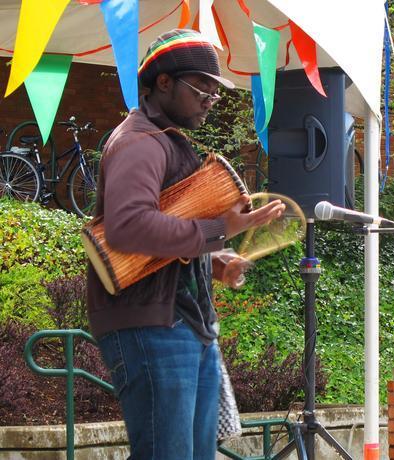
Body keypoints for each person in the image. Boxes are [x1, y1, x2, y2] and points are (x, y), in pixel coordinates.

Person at [86, 29, 285, 460]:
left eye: (215, 93)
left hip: (184, 324)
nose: (211, 101)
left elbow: (166, 231)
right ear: (163, 82)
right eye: (202, 89)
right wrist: (219, 229)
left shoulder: (164, 140)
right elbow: (127, 227)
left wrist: (214, 260)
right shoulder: (139, 144)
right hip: (151, 327)